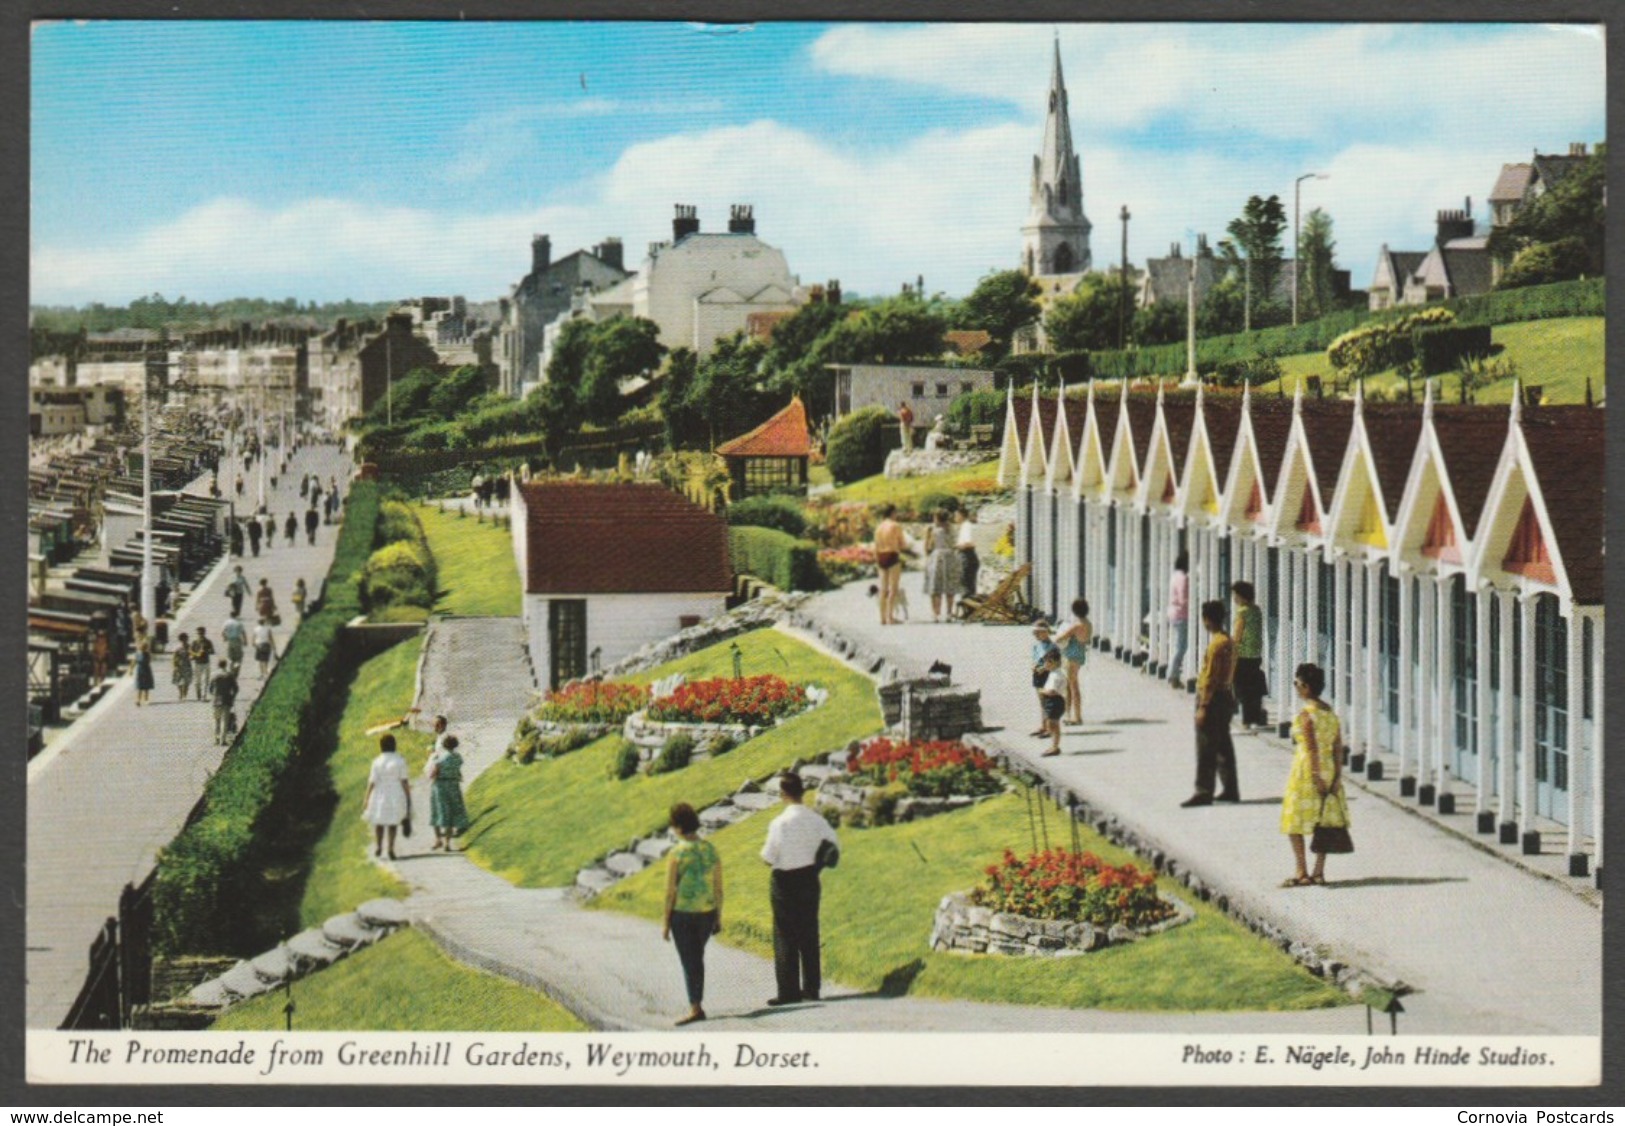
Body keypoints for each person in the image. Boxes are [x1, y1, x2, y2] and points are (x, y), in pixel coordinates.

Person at [761, 772, 837, 1006]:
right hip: (809, 877)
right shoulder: (816, 820)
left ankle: (788, 990)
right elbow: (833, 845)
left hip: (784, 880)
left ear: (783, 794)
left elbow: (768, 856)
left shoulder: (779, 823)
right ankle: (812, 988)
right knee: (809, 933)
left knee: (785, 934)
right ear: (802, 791)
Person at [1281, 663, 1350, 887]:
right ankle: (1318, 871)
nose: (1296, 688)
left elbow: (1310, 747)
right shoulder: (1330, 713)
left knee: (1294, 820)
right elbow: (1338, 746)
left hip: (1307, 770)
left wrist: (1315, 774)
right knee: (1325, 820)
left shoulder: (1305, 715)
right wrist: (1337, 775)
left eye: (1298, 684)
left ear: (1307, 687)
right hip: (1329, 767)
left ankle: (1301, 871)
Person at [663, 802, 724, 1026]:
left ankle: (695, 1007)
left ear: (677, 826)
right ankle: (696, 1003)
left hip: (683, 914)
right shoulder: (710, 850)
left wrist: (665, 922)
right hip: (707, 913)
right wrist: (718, 916)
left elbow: (670, 892)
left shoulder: (677, 853)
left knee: (691, 960)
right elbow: (718, 887)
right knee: (695, 957)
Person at [1181, 601, 1240, 807]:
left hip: (1212, 698)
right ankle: (1230, 788)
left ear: (1207, 620)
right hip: (1226, 695)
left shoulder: (1216, 645)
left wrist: (1203, 707)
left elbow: (1209, 678)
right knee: (1223, 744)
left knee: (1206, 746)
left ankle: (1204, 790)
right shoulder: (1229, 641)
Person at [362, 734, 412, 860]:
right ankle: (390, 848)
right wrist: (408, 796)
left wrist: (367, 797)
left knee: (379, 821)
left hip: (380, 792)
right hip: (395, 792)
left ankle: (379, 846)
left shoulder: (377, 761)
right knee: (392, 822)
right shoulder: (399, 760)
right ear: (394, 745)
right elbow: (404, 780)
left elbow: (372, 781)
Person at [1231, 581, 1269, 728]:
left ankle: (1246, 721)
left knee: (1243, 688)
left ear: (1241, 596)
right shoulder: (1256, 610)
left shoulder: (1242, 612)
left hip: (1243, 655)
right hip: (1255, 655)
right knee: (1254, 688)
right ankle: (1256, 717)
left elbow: (1238, 635)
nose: (1234, 598)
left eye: (1235, 595)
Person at [426, 733, 472, 851]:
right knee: (450, 814)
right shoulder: (458, 757)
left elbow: (433, 774)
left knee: (437, 812)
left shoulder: (439, 758)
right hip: (453, 785)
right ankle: (447, 843)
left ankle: (438, 840)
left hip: (440, 786)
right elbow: (458, 770)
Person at [1055, 598, 1093, 725]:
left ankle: (1076, 717)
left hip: (1072, 655)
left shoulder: (1076, 625)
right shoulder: (1088, 623)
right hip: (1080, 653)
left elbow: (1061, 637)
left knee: (1072, 686)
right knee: (1072, 685)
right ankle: (1070, 714)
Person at [922, 509, 959, 622]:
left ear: (937, 518)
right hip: (950, 557)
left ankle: (936, 613)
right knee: (949, 586)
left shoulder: (933, 531)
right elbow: (954, 544)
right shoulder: (951, 529)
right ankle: (949, 613)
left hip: (937, 557)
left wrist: (926, 537)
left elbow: (928, 548)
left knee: (935, 586)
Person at [873, 504, 905, 626]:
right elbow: (902, 544)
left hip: (881, 556)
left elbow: (875, 545)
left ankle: (882, 618)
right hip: (892, 554)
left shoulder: (878, 527)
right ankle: (890, 616)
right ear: (892, 513)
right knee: (893, 587)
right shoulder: (895, 526)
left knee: (883, 588)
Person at [1029, 619, 1060, 738]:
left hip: (1048, 676)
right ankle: (1043, 725)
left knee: (1048, 702)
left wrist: (1044, 668)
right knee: (1042, 702)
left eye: (1038, 633)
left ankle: (1049, 728)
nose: (1036, 635)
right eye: (1034, 633)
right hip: (1038, 675)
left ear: (1046, 632)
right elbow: (1035, 659)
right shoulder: (1036, 646)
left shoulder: (1052, 647)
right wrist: (1034, 666)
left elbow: (1055, 663)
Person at [1167, 551, 1191, 689]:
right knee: (1181, 647)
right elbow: (1183, 599)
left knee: (1178, 646)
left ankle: (1173, 674)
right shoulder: (1183, 578)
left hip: (1173, 613)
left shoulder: (1174, 576)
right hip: (1181, 614)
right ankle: (1172, 675)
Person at [1038, 649, 1067, 757]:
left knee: (1053, 724)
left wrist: (1042, 691)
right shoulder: (1055, 672)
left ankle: (1055, 747)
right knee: (1053, 724)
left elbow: (1052, 691)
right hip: (1052, 701)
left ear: (1053, 662)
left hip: (1055, 701)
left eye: (1046, 662)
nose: (1045, 665)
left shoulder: (1056, 675)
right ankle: (1054, 745)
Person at [209, 659, 238, 745]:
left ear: (218, 665)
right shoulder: (229, 675)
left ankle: (216, 739)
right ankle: (222, 740)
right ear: (226, 665)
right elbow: (236, 688)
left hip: (216, 700)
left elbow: (210, 688)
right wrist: (233, 697)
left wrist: (213, 694)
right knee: (224, 721)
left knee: (216, 720)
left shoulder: (213, 675)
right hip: (226, 699)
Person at [954, 507, 979, 607]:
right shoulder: (965, 526)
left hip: (967, 556)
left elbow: (969, 543)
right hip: (968, 556)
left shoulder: (966, 526)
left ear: (961, 515)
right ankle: (969, 608)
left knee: (966, 585)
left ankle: (968, 608)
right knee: (968, 584)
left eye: (956, 515)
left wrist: (956, 546)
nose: (955, 518)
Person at [190, 628, 214, 701]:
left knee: (206, 680)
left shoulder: (208, 641)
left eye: (202, 633)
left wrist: (206, 651)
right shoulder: (194, 642)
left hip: (206, 662)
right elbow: (190, 652)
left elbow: (212, 651)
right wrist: (196, 654)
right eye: (199, 633)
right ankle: (198, 694)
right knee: (197, 681)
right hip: (197, 663)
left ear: (204, 633)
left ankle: (204, 696)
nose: (200, 635)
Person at [171, 631, 193, 701]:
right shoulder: (177, 648)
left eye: (186, 639)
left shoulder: (190, 647)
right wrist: (174, 666)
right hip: (179, 665)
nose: (184, 640)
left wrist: (192, 657)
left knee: (187, 681)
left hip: (187, 665)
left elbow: (193, 654)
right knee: (178, 680)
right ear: (180, 640)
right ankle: (180, 693)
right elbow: (174, 657)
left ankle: (185, 694)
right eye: (183, 639)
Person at [132, 636, 154, 706]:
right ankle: (138, 700)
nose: (143, 648)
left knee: (146, 687)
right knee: (139, 686)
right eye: (142, 647)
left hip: (146, 670)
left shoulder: (147, 654)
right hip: (140, 670)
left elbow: (150, 660)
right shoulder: (137, 654)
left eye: (144, 647)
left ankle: (146, 699)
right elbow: (134, 662)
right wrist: (131, 670)